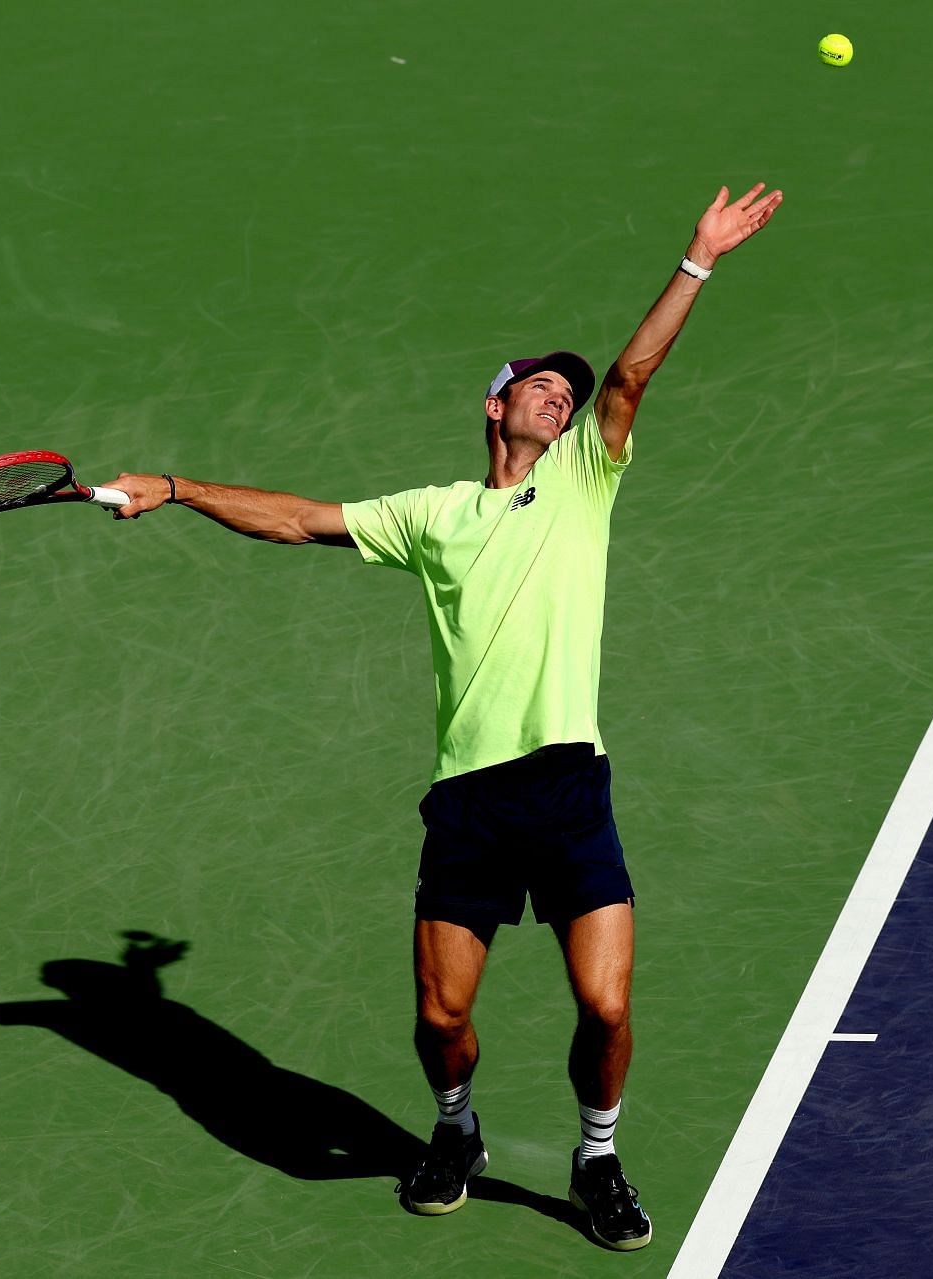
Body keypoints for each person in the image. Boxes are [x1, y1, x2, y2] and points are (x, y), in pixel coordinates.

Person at [102, 182, 782, 1251]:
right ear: (495, 403)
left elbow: (637, 371)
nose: (563, 399)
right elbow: (293, 521)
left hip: (567, 787)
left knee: (605, 1007)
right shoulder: (432, 514)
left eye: (571, 394)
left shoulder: (584, 481)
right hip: (468, 801)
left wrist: (697, 260)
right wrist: (177, 485)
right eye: (543, 388)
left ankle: (596, 1156)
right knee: (441, 1018)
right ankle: (455, 1128)